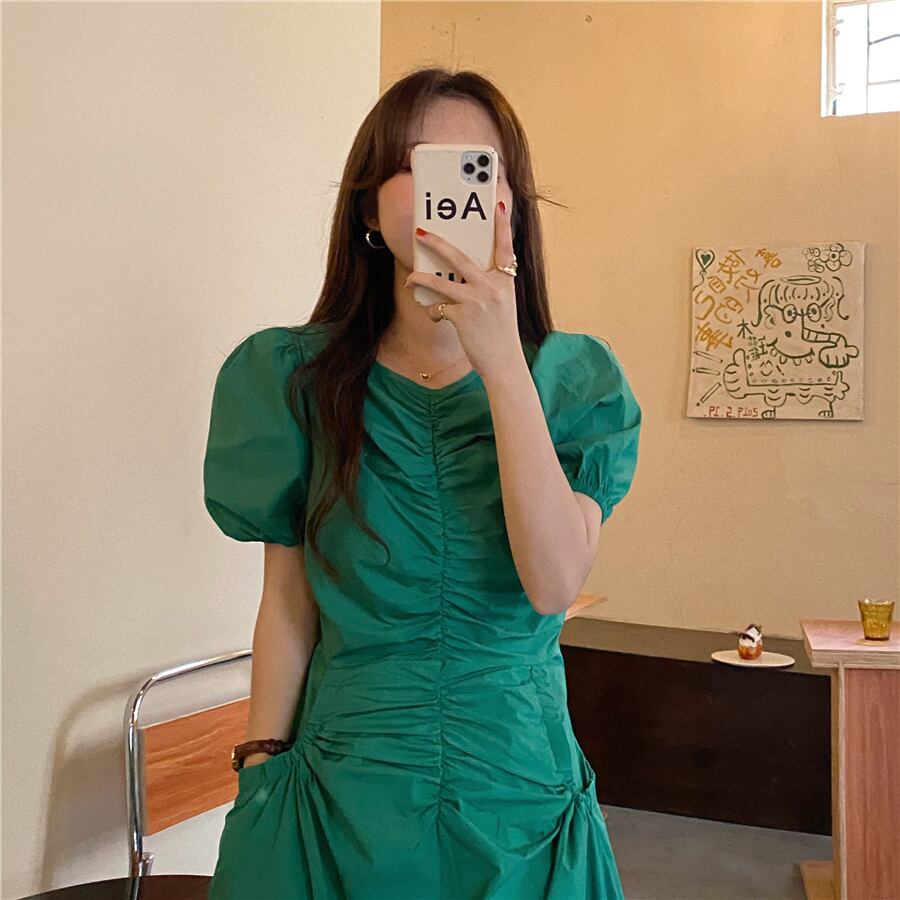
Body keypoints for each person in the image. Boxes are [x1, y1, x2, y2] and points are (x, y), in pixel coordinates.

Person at [203, 65, 642, 900]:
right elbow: (289, 603)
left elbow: (554, 582)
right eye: (416, 166)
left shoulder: (575, 380)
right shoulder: (293, 380)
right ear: (370, 211)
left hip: (519, 791)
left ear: (509, 203)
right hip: (342, 789)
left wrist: (502, 361)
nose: (448, 195)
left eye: (476, 168)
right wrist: (260, 765)